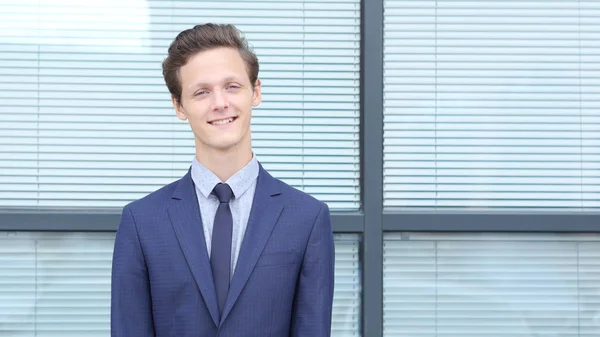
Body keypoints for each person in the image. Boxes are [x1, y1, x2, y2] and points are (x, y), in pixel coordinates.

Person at [110, 23, 335, 337]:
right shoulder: (141, 221)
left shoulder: (307, 218)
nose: (219, 103)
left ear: (255, 91)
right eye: (201, 92)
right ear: (179, 106)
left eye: (232, 86)